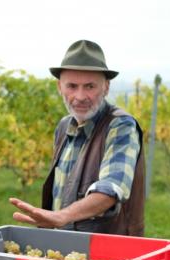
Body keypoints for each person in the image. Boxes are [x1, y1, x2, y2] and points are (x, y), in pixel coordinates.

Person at [10, 40, 145, 236]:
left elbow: (111, 188)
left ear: (106, 87)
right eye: (72, 86)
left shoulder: (120, 125)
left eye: (90, 86)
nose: (80, 96)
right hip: (66, 248)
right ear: (59, 87)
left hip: (109, 252)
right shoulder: (64, 126)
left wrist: (61, 216)